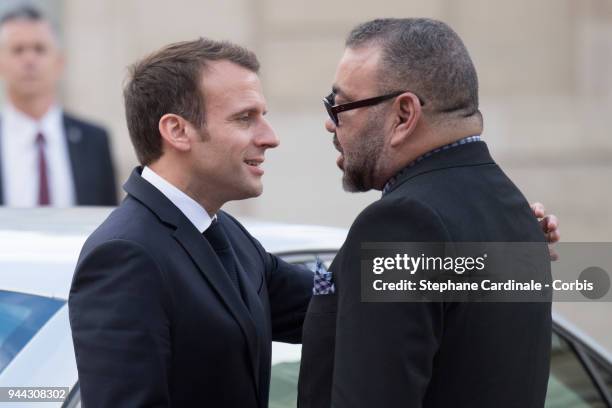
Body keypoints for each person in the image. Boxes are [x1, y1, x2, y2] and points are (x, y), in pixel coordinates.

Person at [298, 18, 557, 408]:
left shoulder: (400, 223)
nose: (330, 123)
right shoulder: (516, 211)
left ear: (403, 115)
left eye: (339, 105)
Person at [68, 38, 313, 408]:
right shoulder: (125, 255)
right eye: (245, 118)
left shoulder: (225, 231)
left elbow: (331, 300)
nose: (269, 137)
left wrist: (430, 263)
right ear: (177, 131)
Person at [0, 5, 116, 206]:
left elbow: (108, 219)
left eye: (40, 49)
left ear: (60, 61)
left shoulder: (94, 140)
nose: (29, 60)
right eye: (18, 50)